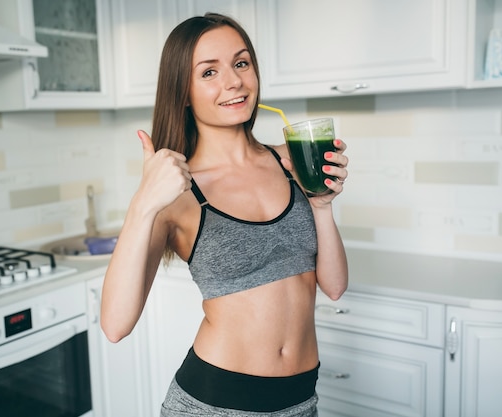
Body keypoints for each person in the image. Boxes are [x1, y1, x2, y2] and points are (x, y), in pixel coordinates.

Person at [100, 12, 349, 417]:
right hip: (214, 404)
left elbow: (334, 286)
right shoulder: (176, 194)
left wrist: (322, 205)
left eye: (240, 63)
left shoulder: (289, 161)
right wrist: (142, 204)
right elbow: (115, 325)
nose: (233, 81)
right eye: (209, 72)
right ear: (183, 92)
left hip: (301, 402)